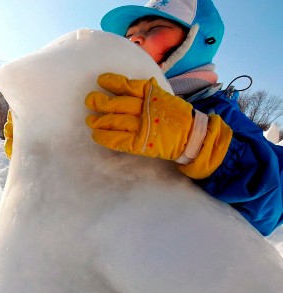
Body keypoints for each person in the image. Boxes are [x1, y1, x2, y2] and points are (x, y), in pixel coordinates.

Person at [84, 0, 283, 236]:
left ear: (197, 40)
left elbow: (273, 202)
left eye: (154, 29)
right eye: (129, 36)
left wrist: (197, 140)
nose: (134, 40)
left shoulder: (219, 112)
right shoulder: (118, 101)